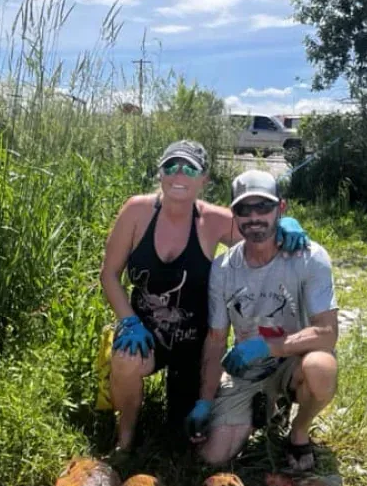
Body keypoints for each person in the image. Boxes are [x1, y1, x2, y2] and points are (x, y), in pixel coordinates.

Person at [100, 140, 309, 453]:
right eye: (171, 166)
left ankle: (265, 404)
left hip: (194, 341)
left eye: (189, 168)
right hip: (144, 333)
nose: (178, 174)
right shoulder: (136, 211)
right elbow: (109, 274)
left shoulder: (214, 220)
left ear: (204, 179)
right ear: (160, 173)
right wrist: (128, 320)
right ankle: (126, 438)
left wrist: (285, 224)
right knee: (125, 361)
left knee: (187, 435)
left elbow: (260, 234)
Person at [185, 169, 338, 471]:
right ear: (234, 214)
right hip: (248, 370)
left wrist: (265, 347)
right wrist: (204, 400)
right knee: (213, 456)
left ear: (281, 208)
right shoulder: (223, 268)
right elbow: (216, 340)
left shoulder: (310, 257)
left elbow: (327, 334)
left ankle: (299, 431)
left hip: (296, 360)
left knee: (320, 367)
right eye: (244, 209)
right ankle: (267, 407)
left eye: (263, 207)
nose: (254, 217)